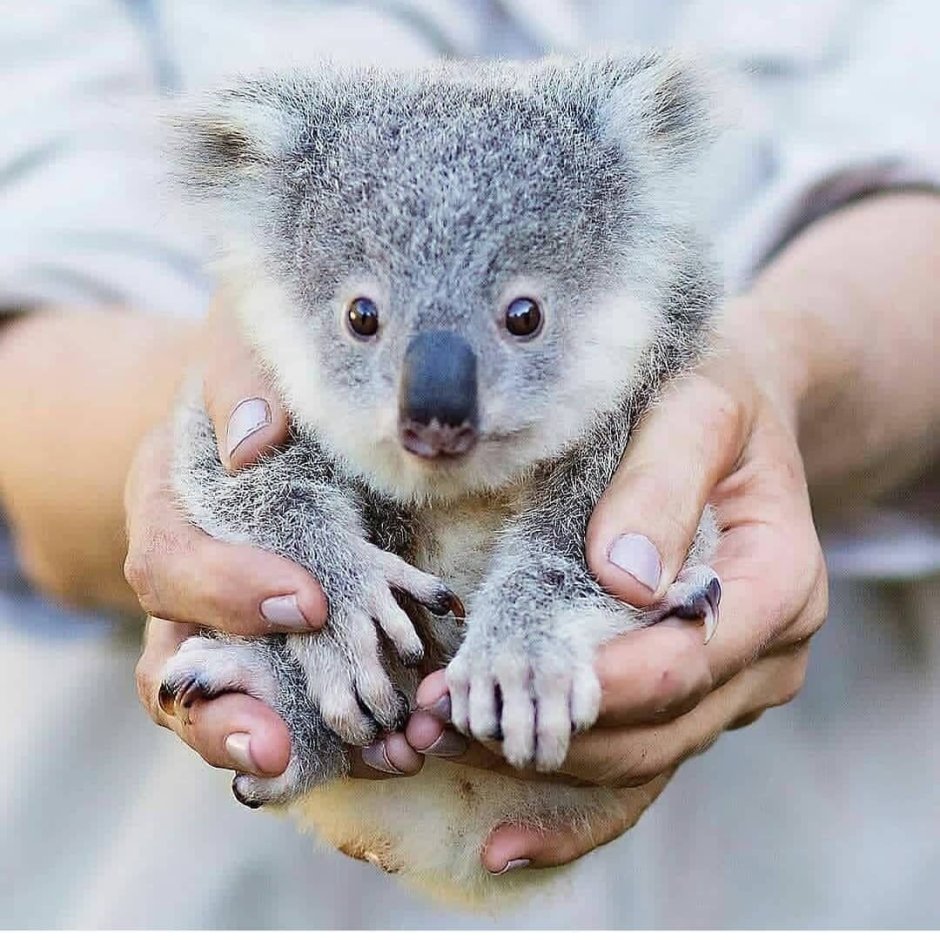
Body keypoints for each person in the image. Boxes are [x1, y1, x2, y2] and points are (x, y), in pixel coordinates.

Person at [1, 0, 939, 928]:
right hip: (183, 881)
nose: (439, 404)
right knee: (250, 461)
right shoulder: (266, 215)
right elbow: (36, 338)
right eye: (364, 319)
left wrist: (777, 373)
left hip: (787, 874)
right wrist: (282, 556)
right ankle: (310, 676)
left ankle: (539, 633)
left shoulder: (651, 286)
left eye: (522, 319)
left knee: (639, 429)